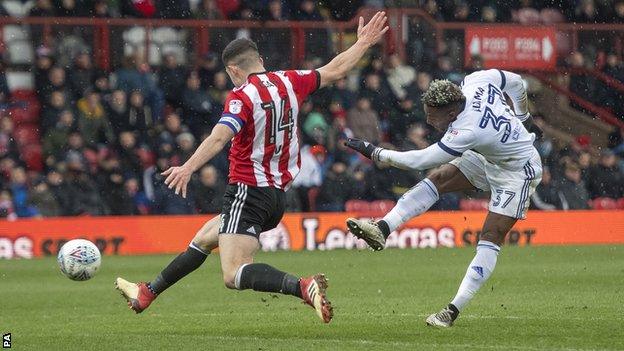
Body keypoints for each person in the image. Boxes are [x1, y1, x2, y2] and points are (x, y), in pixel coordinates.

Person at [115, 12, 390, 323]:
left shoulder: (242, 96)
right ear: (259, 59)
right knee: (206, 237)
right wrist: (364, 42)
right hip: (277, 197)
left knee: (233, 273)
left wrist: (188, 167)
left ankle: (301, 286)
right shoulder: (290, 80)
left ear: (233, 70)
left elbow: (220, 136)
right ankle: (147, 293)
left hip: (247, 192)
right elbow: (336, 68)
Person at [345, 69, 543, 327]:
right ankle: (383, 227)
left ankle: (452, 310)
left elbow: (419, 159)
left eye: (432, 116)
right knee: (438, 179)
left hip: (518, 170)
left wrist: (376, 153)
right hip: (488, 157)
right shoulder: (477, 80)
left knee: (490, 236)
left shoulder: (466, 130)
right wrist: (523, 116)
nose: (428, 121)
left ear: (451, 113)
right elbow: (516, 82)